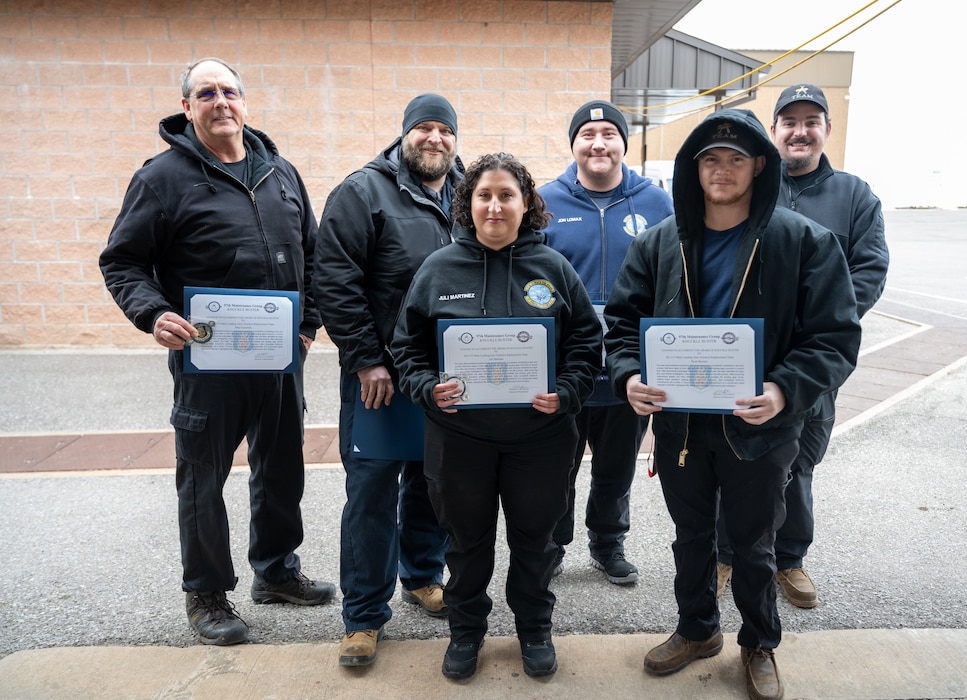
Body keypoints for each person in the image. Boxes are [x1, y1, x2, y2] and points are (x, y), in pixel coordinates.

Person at [603, 109, 861, 700]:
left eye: (736, 158)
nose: (722, 169)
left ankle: (759, 643)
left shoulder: (803, 241)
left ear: (759, 166)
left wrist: (783, 390)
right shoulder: (659, 243)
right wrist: (629, 375)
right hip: (682, 428)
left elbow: (835, 336)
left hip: (761, 427)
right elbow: (621, 325)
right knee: (691, 535)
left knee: (753, 543)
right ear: (693, 170)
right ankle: (696, 630)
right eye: (710, 159)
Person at [99, 57, 335, 647]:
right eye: (206, 93)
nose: (221, 101)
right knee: (203, 476)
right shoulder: (162, 178)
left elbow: (313, 254)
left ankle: (276, 571)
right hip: (208, 361)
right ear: (187, 108)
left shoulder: (279, 171)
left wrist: (308, 325)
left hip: (280, 357)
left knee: (281, 466)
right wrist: (153, 314)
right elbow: (122, 261)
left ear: (245, 102)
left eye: (230, 91)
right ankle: (206, 591)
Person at [392, 153, 602, 680]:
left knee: (536, 542)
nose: (495, 205)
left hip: (542, 439)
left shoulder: (553, 268)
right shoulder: (439, 268)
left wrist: (569, 391)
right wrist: (425, 388)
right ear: (468, 203)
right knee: (466, 545)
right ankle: (466, 632)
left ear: (525, 203)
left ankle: (534, 629)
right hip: (460, 439)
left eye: (507, 195)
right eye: (484, 194)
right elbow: (407, 348)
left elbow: (585, 341)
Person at [714, 84, 889, 608]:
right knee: (730, 453)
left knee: (798, 461)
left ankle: (788, 559)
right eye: (789, 121)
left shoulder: (855, 196)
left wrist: (814, 329)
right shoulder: (750, 188)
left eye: (812, 120)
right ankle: (727, 553)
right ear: (774, 131)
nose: (800, 130)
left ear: (826, 131)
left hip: (809, 363)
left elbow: (869, 272)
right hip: (740, 359)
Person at [314, 94, 460, 667]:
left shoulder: (468, 190)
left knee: (433, 482)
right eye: (423, 128)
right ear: (404, 135)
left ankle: (422, 575)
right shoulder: (361, 192)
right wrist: (365, 358)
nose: (434, 138)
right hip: (381, 376)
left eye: (444, 129)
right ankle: (364, 617)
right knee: (372, 493)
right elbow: (333, 278)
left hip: (443, 378)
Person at [539, 100, 674, 585]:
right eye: (588, 134)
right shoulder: (544, 201)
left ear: (623, 142)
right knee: (558, 465)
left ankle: (608, 543)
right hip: (565, 365)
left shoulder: (656, 202)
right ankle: (553, 546)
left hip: (628, 365)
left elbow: (672, 277)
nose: (599, 143)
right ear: (574, 143)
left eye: (609, 134)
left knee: (617, 466)